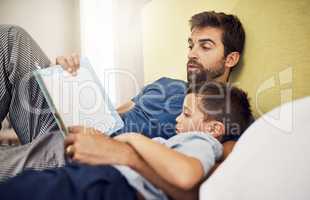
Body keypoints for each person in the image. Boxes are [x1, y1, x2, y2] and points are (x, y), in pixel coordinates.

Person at [0, 10, 246, 181]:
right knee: (12, 37)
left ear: (231, 59)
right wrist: (67, 85)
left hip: (92, 152)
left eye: (205, 46)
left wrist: (125, 152)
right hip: (79, 125)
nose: (192, 53)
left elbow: (219, 171)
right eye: (190, 44)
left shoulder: (223, 112)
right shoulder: (166, 84)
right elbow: (113, 112)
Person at [0, 82, 254, 200]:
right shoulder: (170, 88)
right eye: (190, 43)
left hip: (107, 178)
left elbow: (187, 175)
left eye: (186, 114)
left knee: (25, 189)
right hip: (97, 160)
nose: (178, 119)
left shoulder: (202, 139)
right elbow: (114, 111)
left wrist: (130, 140)